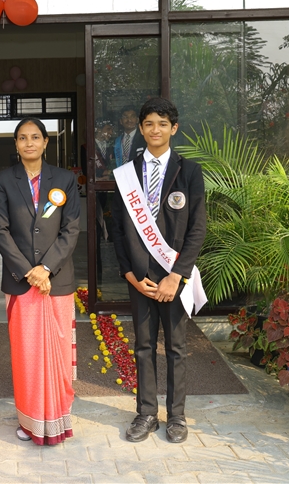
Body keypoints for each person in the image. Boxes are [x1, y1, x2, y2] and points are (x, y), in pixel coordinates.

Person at [110, 97, 207, 444]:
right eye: (149, 123)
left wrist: (176, 275)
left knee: (177, 348)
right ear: (141, 128)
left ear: (173, 128)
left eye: (163, 124)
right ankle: (146, 413)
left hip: (173, 277)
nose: (155, 130)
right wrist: (130, 274)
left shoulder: (189, 171)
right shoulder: (126, 174)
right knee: (144, 346)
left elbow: (197, 228)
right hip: (141, 277)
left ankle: (176, 416)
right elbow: (117, 229)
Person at [0, 117, 80, 445]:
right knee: (27, 355)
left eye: (35, 137)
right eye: (22, 138)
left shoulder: (64, 179)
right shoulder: (2, 181)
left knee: (58, 352)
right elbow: (0, 230)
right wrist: (30, 271)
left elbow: (71, 228)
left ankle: (58, 417)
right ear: (16, 144)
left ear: (45, 142)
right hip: (21, 282)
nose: (29, 143)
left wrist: (47, 268)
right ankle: (29, 420)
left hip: (57, 281)